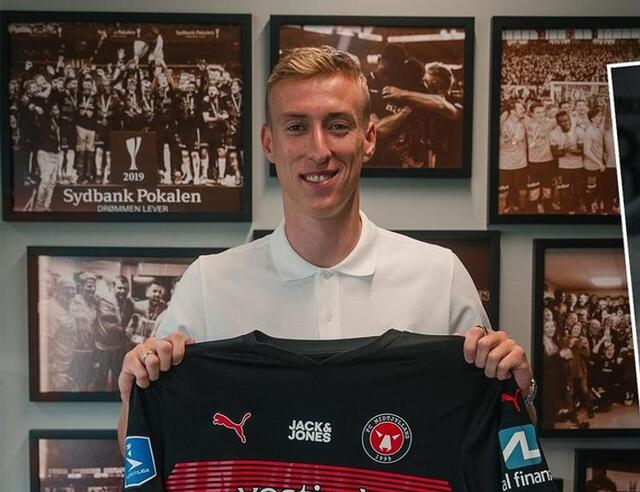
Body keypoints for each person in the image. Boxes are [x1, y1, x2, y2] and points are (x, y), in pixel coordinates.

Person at [117, 46, 536, 448]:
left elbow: (500, 442)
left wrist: (519, 389)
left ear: (368, 138)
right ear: (269, 144)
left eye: (337, 126)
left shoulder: (440, 276)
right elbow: (142, 447)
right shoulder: (209, 284)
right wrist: (134, 395)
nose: (319, 151)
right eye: (296, 127)